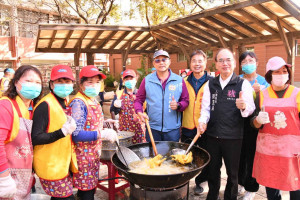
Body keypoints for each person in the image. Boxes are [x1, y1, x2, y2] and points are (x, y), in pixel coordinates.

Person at [198, 48, 255, 200]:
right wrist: (202, 122)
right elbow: (205, 109)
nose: (225, 63)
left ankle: (231, 197)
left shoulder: (243, 84)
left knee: (233, 174)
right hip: (212, 136)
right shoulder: (210, 85)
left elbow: (250, 110)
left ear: (234, 63)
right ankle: (213, 195)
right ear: (215, 64)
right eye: (221, 60)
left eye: (228, 59)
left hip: (234, 137)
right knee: (213, 171)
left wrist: (243, 106)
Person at [251, 56, 300, 200]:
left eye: (284, 71)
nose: (281, 75)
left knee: (295, 188)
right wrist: (258, 120)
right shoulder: (261, 95)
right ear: (269, 75)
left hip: (292, 151)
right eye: (277, 72)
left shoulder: (297, 94)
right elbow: (253, 122)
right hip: (268, 151)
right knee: (272, 190)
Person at [68, 65, 118, 200]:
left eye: (97, 82)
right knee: (87, 193)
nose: (94, 85)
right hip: (82, 158)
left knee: (87, 190)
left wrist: (107, 122)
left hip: (92, 155)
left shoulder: (92, 99)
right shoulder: (79, 103)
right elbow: (76, 134)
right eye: (90, 82)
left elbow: (90, 121)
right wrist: (102, 134)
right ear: (81, 84)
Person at [31, 65, 78, 200]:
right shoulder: (45, 105)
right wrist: (61, 132)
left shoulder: (63, 101)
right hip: (50, 165)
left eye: (67, 81)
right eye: (59, 82)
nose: (64, 85)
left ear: (72, 84)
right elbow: (35, 137)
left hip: (61, 163)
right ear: (51, 84)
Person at [0, 65, 42, 199]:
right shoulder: (6, 105)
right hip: (7, 178)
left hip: (24, 179)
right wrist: (4, 177)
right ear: (16, 82)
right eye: (28, 81)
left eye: (38, 82)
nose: (33, 85)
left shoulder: (32, 108)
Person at [134, 49, 189, 142]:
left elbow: (186, 100)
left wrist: (178, 105)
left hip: (172, 129)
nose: (161, 63)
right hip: (153, 128)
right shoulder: (147, 80)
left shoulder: (179, 80)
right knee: (153, 155)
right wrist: (139, 112)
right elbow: (139, 100)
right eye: (157, 60)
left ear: (169, 62)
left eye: (164, 59)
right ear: (154, 63)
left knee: (171, 155)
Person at [238, 51, 269, 200]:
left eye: (251, 61)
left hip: (255, 125)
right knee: (238, 156)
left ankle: (251, 187)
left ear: (257, 63)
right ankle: (239, 182)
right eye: (244, 62)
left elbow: (267, 106)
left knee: (252, 157)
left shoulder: (264, 83)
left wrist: (259, 94)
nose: (247, 64)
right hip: (237, 124)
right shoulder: (237, 81)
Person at [181, 50, 213, 195]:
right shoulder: (183, 82)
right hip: (187, 125)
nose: (197, 64)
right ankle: (183, 182)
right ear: (190, 63)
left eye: (200, 61)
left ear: (205, 63)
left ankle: (201, 182)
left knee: (205, 156)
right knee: (187, 155)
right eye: (194, 61)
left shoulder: (212, 82)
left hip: (206, 126)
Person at [110, 69, 146, 144]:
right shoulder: (119, 94)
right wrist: (116, 107)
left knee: (139, 149)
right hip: (125, 130)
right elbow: (113, 111)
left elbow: (146, 110)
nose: (129, 81)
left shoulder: (141, 94)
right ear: (123, 81)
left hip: (139, 129)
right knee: (126, 150)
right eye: (126, 79)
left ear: (136, 79)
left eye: (131, 78)